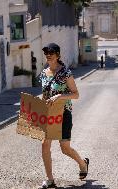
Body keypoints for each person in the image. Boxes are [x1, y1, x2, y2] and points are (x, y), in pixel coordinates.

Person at [39, 43, 89, 188]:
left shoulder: (65, 73)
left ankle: (83, 163)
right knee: (45, 144)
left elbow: (76, 94)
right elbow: (45, 94)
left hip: (63, 113)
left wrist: (60, 96)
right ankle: (50, 179)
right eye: (46, 53)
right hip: (49, 114)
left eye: (51, 53)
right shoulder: (44, 73)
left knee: (64, 148)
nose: (48, 55)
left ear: (58, 55)